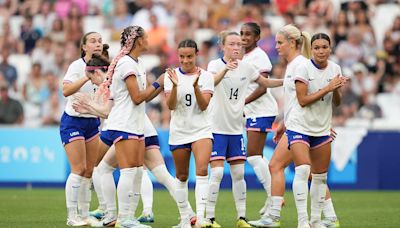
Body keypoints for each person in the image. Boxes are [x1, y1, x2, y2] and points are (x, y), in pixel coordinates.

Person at [248, 26, 341, 228]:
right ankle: (330, 216)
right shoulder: (294, 64)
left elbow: (308, 98)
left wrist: (323, 124)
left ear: (293, 43)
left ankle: (274, 216)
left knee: (281, 167)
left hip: (303, 126)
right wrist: (283, 123)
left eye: (280, 42)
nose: (276, 47)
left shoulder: (300, 64)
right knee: (308, 173)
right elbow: (292, 101)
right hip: (297, 124)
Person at [205, 31, 283, 228]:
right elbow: (210, 83)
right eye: (232, 44)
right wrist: (225, 69)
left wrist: (287, 80)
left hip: (235, 130)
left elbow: (264, 83)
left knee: (238, 174)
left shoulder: (247, 67)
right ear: (222, 46)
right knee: (216, 174)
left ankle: (241, 218)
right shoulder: (214, 65)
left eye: (239, 44)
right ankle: (210, 218)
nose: (236, 47)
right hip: (216, 129)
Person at [164, 39, 214, 228]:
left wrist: (195, 87)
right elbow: (170, 105)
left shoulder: (206, 76)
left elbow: (203, 105)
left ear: (196, 55)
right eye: (182, 57)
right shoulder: (170, 76)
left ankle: (200, 217)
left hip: (201, 130)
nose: (185, 61)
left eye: (189, 56)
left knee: (202, 171)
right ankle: (185, 218)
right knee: (182, 176)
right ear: (178, 56)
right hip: (179, 131)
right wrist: (176, 86)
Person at [60, 31, 106, 227]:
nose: (97, 44)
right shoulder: (77, 66)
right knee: (78, 169)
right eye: (93, 41)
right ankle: (72, 216)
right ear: (84, 47)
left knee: (89, 170)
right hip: (73, 121)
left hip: (92, 121)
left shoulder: (105, 67)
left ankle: (85, 214)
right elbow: (65, 91)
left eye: (100, 41)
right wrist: (87, 77)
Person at [240, 22, 278, 216]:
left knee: (254, 156)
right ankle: (272, 197)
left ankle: (274, 197)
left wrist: (242, 103)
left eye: (248, 34)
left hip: (262, 110)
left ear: (257, 38)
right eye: (241, 34)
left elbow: (263, 87)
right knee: (256, 156)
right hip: (252, 111)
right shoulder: (241, 57)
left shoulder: (259, 56)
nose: (244, 37)